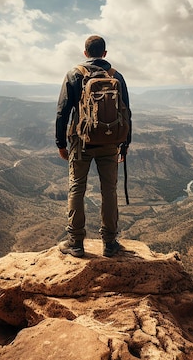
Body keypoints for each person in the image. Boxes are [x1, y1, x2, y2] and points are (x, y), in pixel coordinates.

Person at [55, 35, 132, 257]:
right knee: (109, 189)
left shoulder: (74, 74)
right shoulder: (116, 76)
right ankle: (109, 243)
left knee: (77, 187)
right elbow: (126, 111)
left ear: (85, 53)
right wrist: (124, 144)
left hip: (81, 142)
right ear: (105, 54)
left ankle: (76, 243)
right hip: (110, 141)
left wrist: (60, 143)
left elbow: (62, 112)